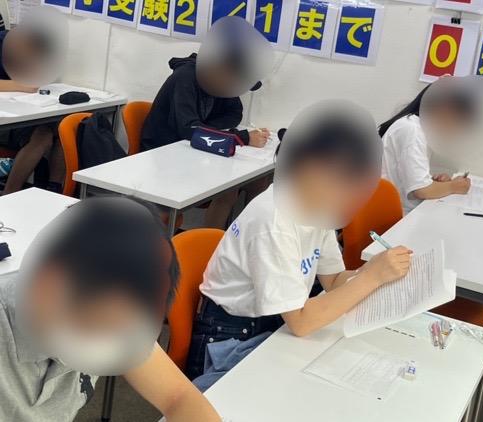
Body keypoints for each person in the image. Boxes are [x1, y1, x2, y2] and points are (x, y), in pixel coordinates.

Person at [186, 101, 412, 380]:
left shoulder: (318, 206)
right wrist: (372, 278)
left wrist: (373, 270)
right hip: (231, 335)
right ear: (308, 168)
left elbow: (334, 280)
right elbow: (301, 322)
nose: (347, 192)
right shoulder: (273, 221)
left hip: (276, 319)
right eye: (340, 178)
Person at [0, 196, 221, 421]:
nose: (103, 345)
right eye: (91, 327)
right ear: (49, 286)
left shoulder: (118, 322)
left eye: (118, 330)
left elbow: (178, 396)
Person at [141, 52, 270, 229]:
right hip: (163, 156)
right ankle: (210, 242)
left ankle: (245, 239)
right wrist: (243, 138)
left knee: (259, 180)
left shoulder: (222, 82)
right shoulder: (185, 78)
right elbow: (189, 130)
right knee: (228, 188)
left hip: (192, 151)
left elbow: (234, 114)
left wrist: (206, 129)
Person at [378, 84, 473, 214]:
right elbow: (422, 191)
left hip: (400, 209)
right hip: (394, 216)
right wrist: (452, 186)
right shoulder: (413, 130)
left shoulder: (420, 127)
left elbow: (416, 182)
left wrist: (435, 183)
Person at [0, 28, 65, 195]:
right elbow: (27, 85)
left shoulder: (33, 51)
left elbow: (35, 81)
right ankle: (9, 194)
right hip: (5, 120)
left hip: (22, 113)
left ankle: (54, 189)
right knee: (43, 136)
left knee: (64, 128)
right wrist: (20, 85)